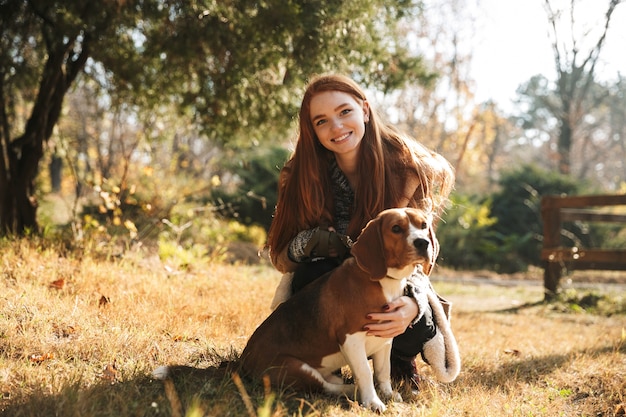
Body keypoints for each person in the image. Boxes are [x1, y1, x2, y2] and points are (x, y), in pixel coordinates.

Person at [266, 74, 456, 389]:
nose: (337, 127)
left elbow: (418, 259)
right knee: (310, 275)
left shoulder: (407, 170)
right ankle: (327, 363)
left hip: (389, 289)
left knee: (416, 317)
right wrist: (309, 243)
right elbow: (282, 257)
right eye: (321, 121)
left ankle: (399, 361)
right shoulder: (301, 175)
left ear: (364, 110)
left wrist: (414, 305)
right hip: (335, 300)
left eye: (345, 112)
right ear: (312, 130)